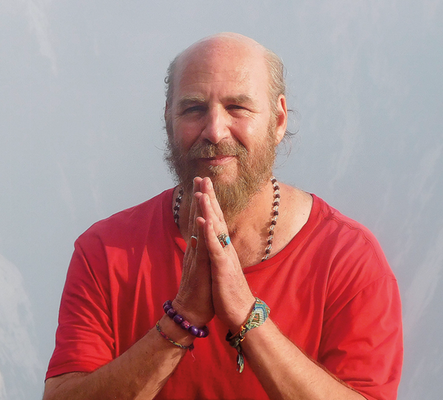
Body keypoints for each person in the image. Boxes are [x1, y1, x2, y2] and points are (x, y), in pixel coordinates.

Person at [43, 33, 403, 400]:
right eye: (194, 109)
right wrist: (182, 318)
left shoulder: (349, 260)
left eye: (238, 107)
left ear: (279, 120)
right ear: (168, 120)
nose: (214, 131)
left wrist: (247, 316)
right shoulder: (106, 252)